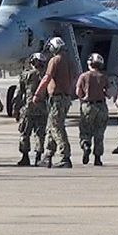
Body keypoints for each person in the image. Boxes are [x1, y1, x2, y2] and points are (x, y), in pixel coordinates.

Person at [32, 37, 75, 168]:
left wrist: (38, 93)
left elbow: (47, 77)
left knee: (56, 126)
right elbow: (73, 77)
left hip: (57, 98)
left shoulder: (55, 60)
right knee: (51, 127)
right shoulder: (69, 60)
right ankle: (48, 155)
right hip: (65, 97)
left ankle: (65, 156)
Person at [77, 53, 112, 166]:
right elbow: (109, 93)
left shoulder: (84, 76)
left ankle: (86, 145)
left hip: (88, 106)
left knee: (85, 130)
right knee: (99, 133)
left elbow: (78, 92)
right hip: (101, 106)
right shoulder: (103, 76)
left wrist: (82, 98)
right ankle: (97, 158)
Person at [14, 52, 49, 166]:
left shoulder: (25, 75)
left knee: (25, 133)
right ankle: (38, 158)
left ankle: (25, 157)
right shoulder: (47, 76)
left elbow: (18, 94)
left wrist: (15, 109)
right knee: (40, 134)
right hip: (43, 109)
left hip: (28, 108)